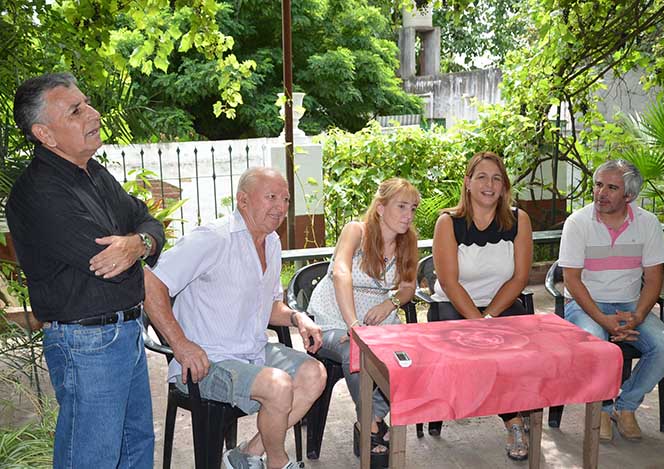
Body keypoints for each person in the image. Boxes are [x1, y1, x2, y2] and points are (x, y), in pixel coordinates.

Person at [7, 72, 165, 468]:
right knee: (92, 457)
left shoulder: (94, 173)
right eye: (76, 110)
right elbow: (108, 267)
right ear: (45, 134)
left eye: (87, 103)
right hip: (86, 345)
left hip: (125, 332)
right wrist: (136, 248)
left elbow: (148, 223)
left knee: (135, 449)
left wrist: (138, 243)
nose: (93, 113)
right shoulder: (38, 193)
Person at [143, 167, 326, 469]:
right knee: (279, 385)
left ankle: (246, 456)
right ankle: (278, 463)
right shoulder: (214, 238)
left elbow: (267, 307)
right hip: (207, 361)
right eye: (271, 197)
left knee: (314, 374)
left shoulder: (272, 243)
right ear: (243, 201)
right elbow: (151, 283)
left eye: (285, 199)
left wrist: (297, 318)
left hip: (250, 352)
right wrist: (181, 345)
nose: (280, 207)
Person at [558, 159, 664, 441]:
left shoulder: (648, 224)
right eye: (598, 184)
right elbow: (572, 281)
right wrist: (603, 321)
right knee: (596, 343)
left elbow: (654, 278)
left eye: (612, 188)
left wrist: (637, 316)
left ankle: (625, 407)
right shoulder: (577, 223)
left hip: (629, 306)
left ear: (629, 196)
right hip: (586, 305)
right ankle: (603, 405)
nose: (601, 193)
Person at [307, 178, 420, 467]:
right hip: (335, 316)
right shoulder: (356, 230)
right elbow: (340, 272)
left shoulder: (408, 240)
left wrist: (390, 303)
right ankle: (371, 427)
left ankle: (372, 419)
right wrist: (354, 326)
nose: (409, 215)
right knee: (355, 352)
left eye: (413, 208)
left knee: (407, 356)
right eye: (402, 206)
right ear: (381, 208)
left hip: (380, 320)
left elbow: (408, 287)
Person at [428, 151, 533, 461]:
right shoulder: (449, 222)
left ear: (504, 187)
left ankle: (516, 408)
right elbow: (449, 282)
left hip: (500, 307)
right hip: (453, 308)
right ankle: (513, 420)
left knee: (524, 351)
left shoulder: (519, 220)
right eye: (482, 177)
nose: (489, 184)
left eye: (497, 178)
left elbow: (519, 277)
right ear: (468, 183)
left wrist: (489, 318)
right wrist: (477, 322)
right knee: (488, 353)